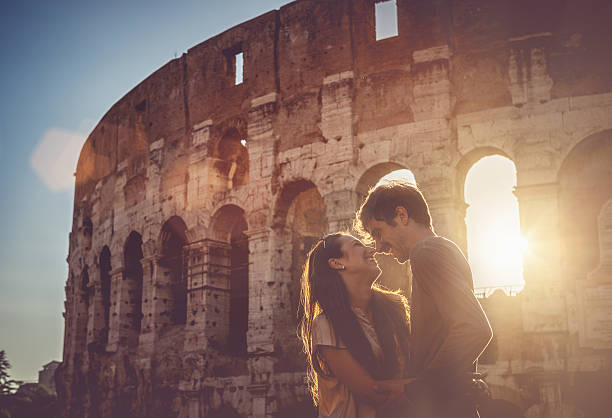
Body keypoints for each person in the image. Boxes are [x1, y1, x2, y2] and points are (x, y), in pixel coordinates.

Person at [354, 180, 493, 418]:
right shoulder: (441, 249)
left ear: (401, 215)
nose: (378, 246)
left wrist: (417, 389)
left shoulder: (426, 252)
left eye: (379, 233)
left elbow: (474, 328)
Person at [298, 233, 413, 418]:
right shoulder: (326, 324)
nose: (372, 249)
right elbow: (371, 392)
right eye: (357, 245)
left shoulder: (395, 306)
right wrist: (426, 386)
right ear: (337, 263)